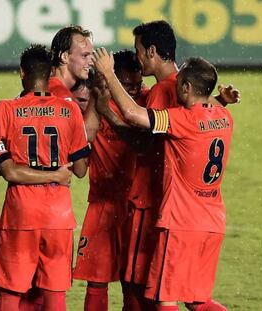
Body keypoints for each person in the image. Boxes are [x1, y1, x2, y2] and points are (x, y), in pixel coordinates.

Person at [94, 21, 239, 311]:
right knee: (197, 300)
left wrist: (108, 88)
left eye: (138, 51)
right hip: (210, 216)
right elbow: (203, 113)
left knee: (150, 291)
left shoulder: (164, 95)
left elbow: (138, 128)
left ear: (151, 51)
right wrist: (220, 100)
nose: (136, 58)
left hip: (165, 210)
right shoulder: (220, 114)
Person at [0, 45, 90, 310]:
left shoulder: (5, 110)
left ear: (22, 73)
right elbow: (80, 169)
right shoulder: (70, 112)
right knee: (54, 295)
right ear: (50, 75)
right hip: (59, 215)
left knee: (12, 291)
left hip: (21, 213)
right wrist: (57, 170)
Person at [73, 50, 155, 311]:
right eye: (126, 84)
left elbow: (143, 141)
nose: (132, 90)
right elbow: (86, 136)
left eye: (137, 84)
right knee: (96, 282)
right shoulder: (96, 100)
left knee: (134, 283)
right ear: (111, 79)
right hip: (102, 204)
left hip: (137, 207)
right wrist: (99, 100)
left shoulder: (145, 104)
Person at [49, 24, 94, 109]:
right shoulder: (60, 96)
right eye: (84, 56)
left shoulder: (46, 87)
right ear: (64, 56)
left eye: (91, 56)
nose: (91, 62)